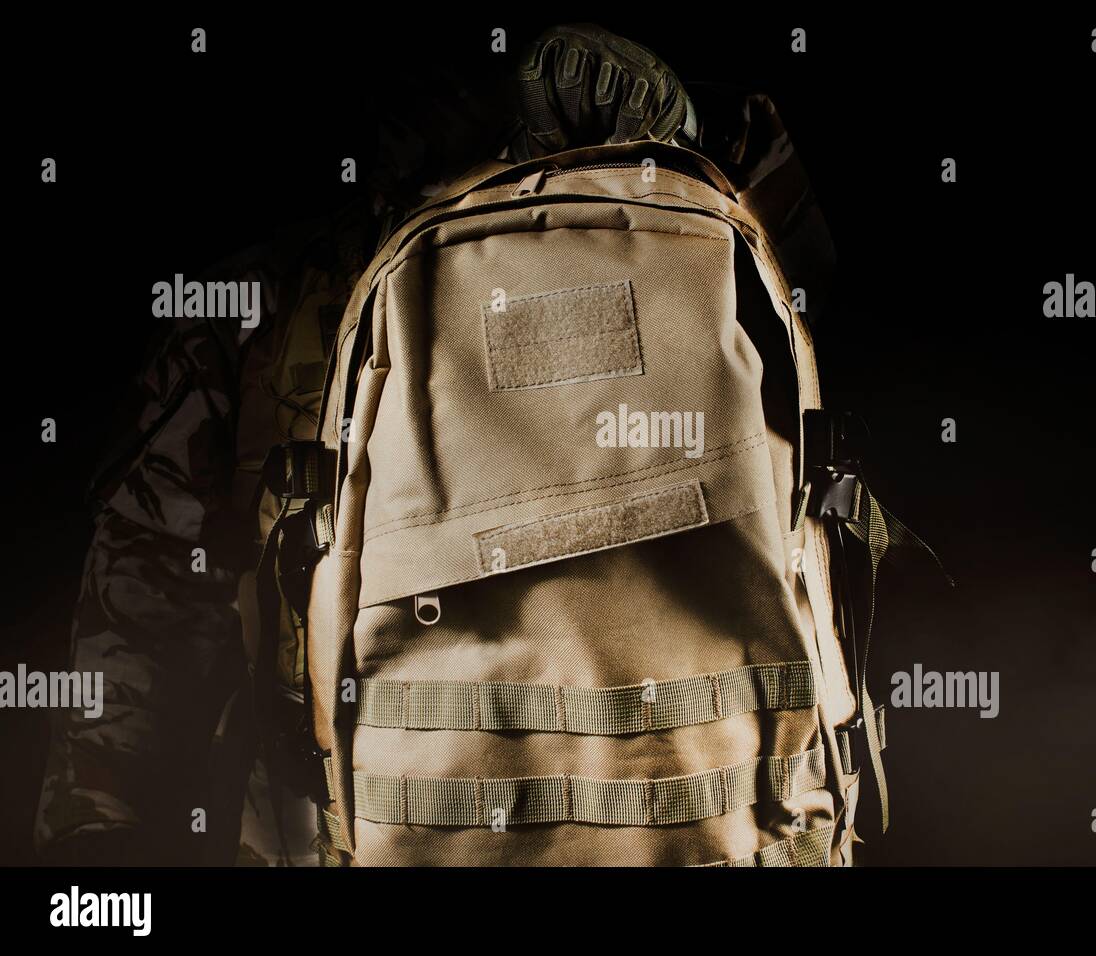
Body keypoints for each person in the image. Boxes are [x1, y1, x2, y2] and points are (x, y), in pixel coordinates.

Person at [35, 24, 837, 865]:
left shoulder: (707, 206)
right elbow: (148, 592)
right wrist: (96, 838)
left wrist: (680, 177)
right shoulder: (263, 307)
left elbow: (833, 401)